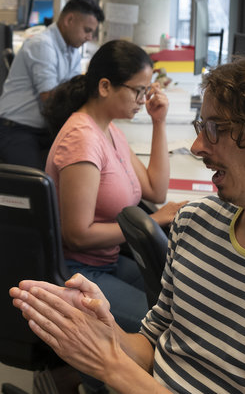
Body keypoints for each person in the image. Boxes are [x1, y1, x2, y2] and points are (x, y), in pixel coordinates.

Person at [11, 52, 245, 394]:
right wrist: (106, 332)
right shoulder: (195, 225)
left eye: (215, 129)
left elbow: (130, 370)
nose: (197, 146)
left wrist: (111, 366)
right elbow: (156, 347)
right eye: (200, 126)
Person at [42, 40, 185, 335]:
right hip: (78, 272)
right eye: (138, 90)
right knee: (167, 327)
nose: (143, 99)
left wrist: (159, 122)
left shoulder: (108, 129)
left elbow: (156, 191)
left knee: (182, 302)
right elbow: (77, 235)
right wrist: (154, 220)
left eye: (147, 91)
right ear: (105, 86)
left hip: (107, 262)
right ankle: (81, 377)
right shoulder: (82, 139)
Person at [0, 0, 105, 169]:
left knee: (89, 163)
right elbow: (51, 100)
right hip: (16, 130)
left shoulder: (72, 49)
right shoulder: (42, 45)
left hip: (43, 130)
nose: (89, 37)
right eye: (87, 30)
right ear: (69, 20)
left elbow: (73, 91)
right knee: (38, 185)